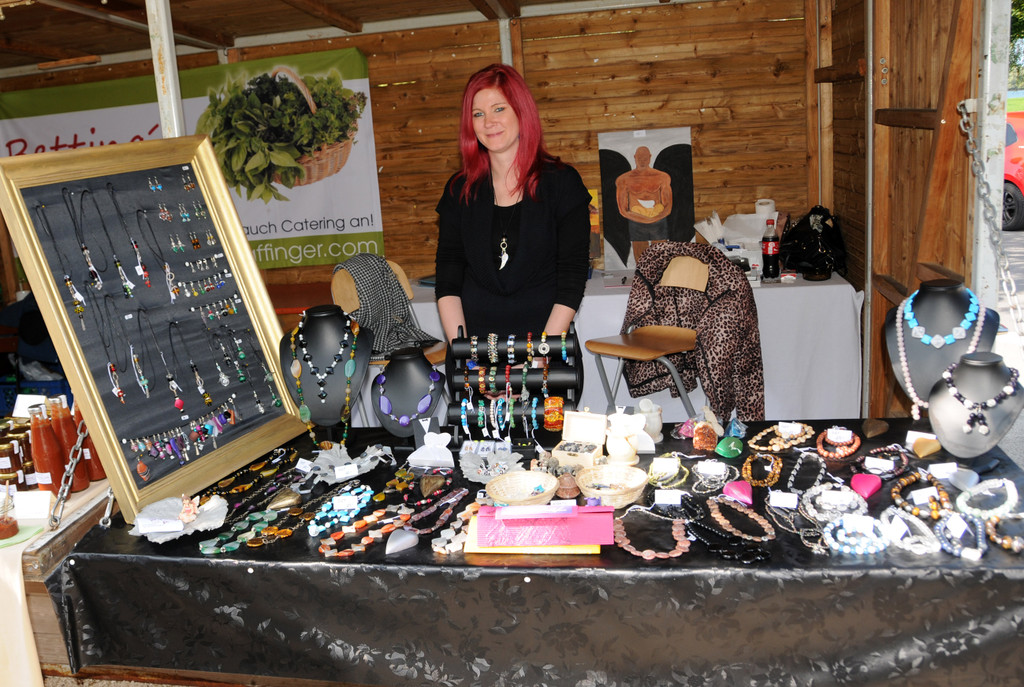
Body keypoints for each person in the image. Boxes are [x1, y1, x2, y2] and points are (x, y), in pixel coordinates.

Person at [435, 63, 591, 342]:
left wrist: (539, 358)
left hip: (546, 349)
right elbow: (448, 279)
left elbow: (572, 278)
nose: (488, 122)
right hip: (475, 354)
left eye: (499, 109)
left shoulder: (562, 183)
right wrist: (465, 355)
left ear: (521, 112)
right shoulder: (459, 190)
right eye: (478, 114)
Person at [615, 146, 673, 263]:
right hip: (636, 221)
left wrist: (654, 218)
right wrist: (643, 219)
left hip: (658, 220)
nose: (642, 161)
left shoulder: (662, 177)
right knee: (641, 259)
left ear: (650, 157)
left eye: (645, 158)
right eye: (639, 158)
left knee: (661, 257)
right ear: (635, 157)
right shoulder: (624, 179)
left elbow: (668, 206)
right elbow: (623, 209)